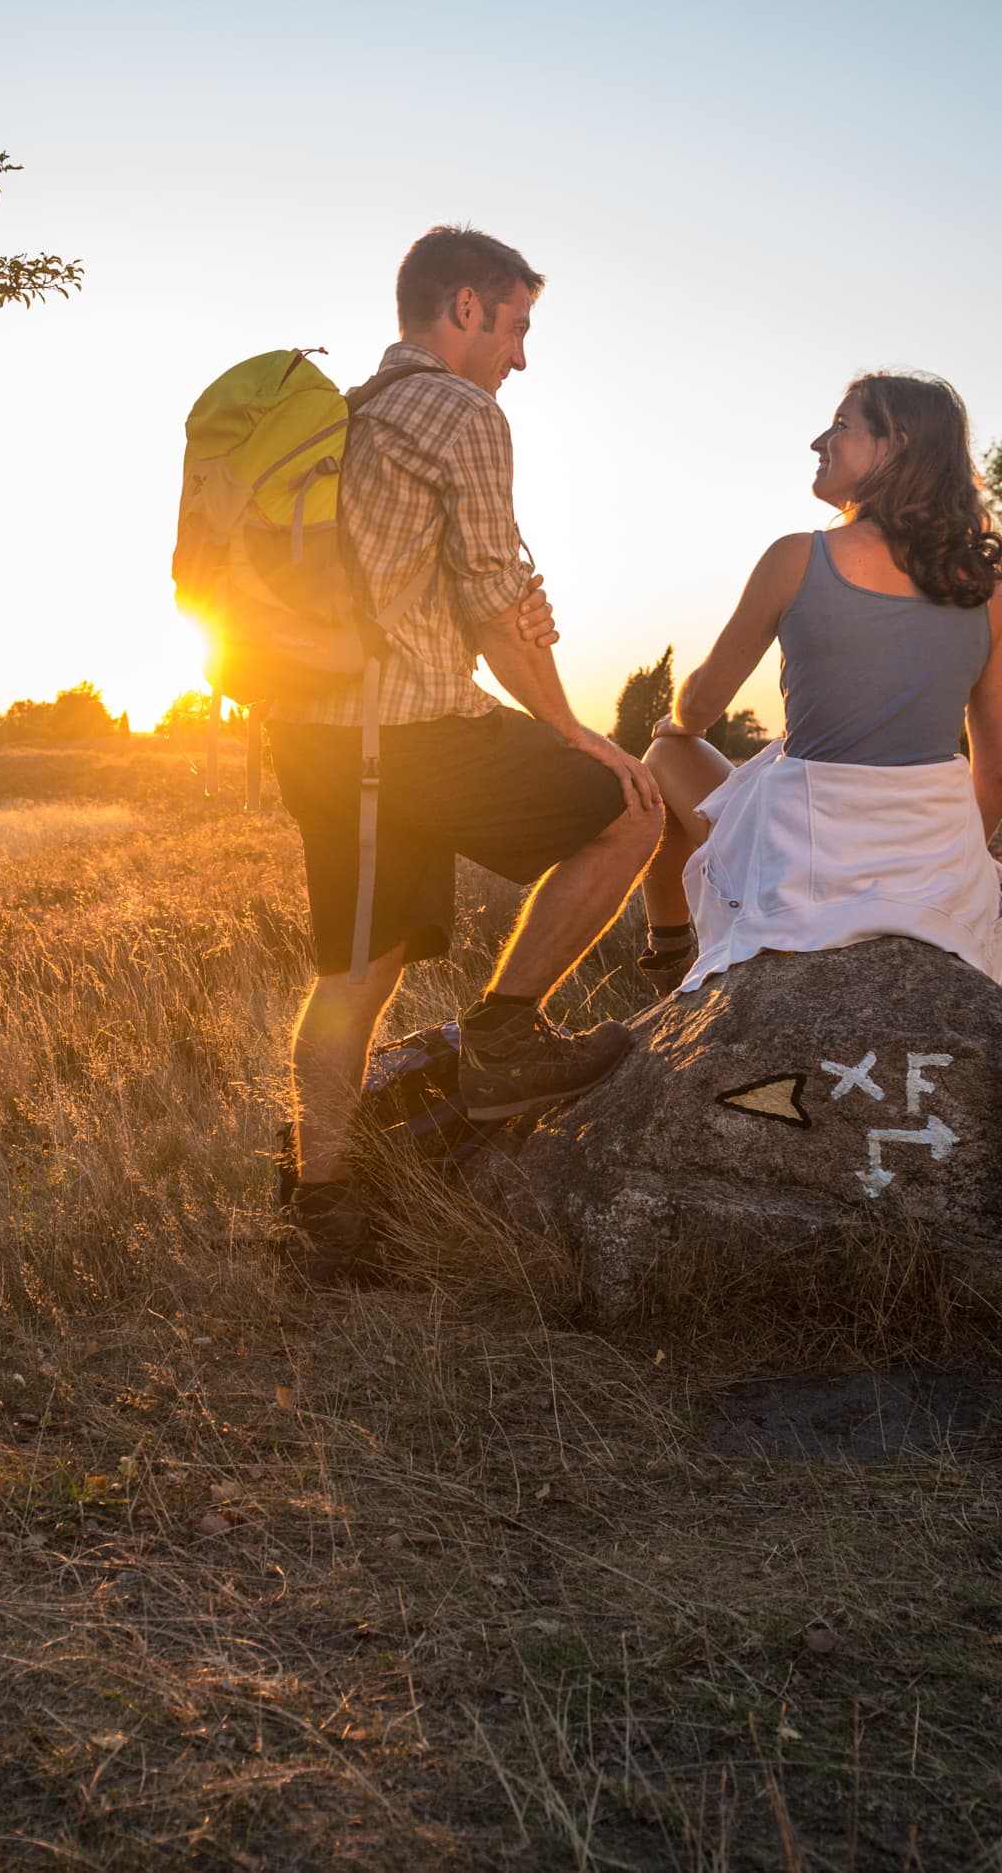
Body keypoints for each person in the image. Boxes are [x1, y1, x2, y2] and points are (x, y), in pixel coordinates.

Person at [267, 226, 664, 1285]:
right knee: (634, 807)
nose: (521, 357)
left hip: (316, 733)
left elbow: (420, 589)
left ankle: (325, 1207)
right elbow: (495, 602)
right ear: (466, 308)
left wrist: (492, 612)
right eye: (518, 325)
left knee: (357, 975)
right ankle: (505, 1035)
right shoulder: (460, 410)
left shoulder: (349, 415)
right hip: (407, 739)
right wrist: (576, 732)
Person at [637, 373, 1002, 994]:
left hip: (807, 855)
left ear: (894, 445)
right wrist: (942, 866)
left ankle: (669, 959)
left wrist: (676, 721)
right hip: (935, 859)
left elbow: (701, 706)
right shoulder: (987, 595)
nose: (821, 440)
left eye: (842, 426)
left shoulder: (797, 557)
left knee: (664, 752)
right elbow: (998, 774)